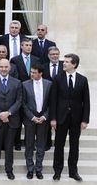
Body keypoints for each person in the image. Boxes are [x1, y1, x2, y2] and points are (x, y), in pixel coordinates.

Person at [50, 54, 90, 182]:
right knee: (59, 145)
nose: (64, 63)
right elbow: (53, 100)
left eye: (67, 62)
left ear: (74, 64)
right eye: (64, 61)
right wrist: (53, 118)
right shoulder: (57, 78)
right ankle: (57, 172)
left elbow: (86, 102)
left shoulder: (83, 80)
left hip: (76, 119)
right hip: (61, 118)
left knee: (74, 146)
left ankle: (73, 172)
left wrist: (85, 120)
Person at [0, 59, 22, 180]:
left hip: (12, 120)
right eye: (1, 67)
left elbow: (19, 100)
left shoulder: (17, 82)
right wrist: (0, 113)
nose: (4, 69)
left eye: (6, 67)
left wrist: (9, 113)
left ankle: (9, 169)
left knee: (9, 146)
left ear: (10, 68)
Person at [22, 64, 52, 180]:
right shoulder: (24, 84)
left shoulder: (49, 84)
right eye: (31, 72)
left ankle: (38, 169)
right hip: (30, 120)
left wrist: (44, 117)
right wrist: (32, 117)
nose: (32, 74)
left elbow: (51, 103)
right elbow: (23, 103)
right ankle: (30, 169)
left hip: (43, 120)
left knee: (41, 146)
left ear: (40, 73)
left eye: (34, 72)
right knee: (29, 145)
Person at [10, 38, 40, 150]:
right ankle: (17, 143)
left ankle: (30, 144)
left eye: (30, 45)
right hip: (19, 91)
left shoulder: (36, 59)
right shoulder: (15, 60)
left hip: (32, 93)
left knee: (30, 121)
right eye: (26, 45)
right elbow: (13, 76)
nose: (29, 47)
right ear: (21, 46)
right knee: (17, 119)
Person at [42, 46, 63, 150]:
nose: (55, 56)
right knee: (46, 123)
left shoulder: (64, 66)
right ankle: (47, 143)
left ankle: (58, 144)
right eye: (52, 54)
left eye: (56, 54)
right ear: (48, 56)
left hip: (61, 99)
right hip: (46, 98)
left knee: (59, 121)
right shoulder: (44, 66)